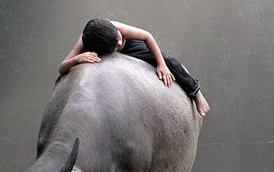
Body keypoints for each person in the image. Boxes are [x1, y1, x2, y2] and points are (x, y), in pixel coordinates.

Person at [59, 18, 210, 116]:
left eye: (118, 38)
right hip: (103, 50)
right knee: (63, 78)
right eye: (115, 46)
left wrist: (161, 64)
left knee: (169, 61)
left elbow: (147, 36)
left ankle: (196, 92)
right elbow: (62, 67)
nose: (119, 43)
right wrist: (77, 58)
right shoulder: (86, 41)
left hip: (131, 46)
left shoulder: (118, 28)